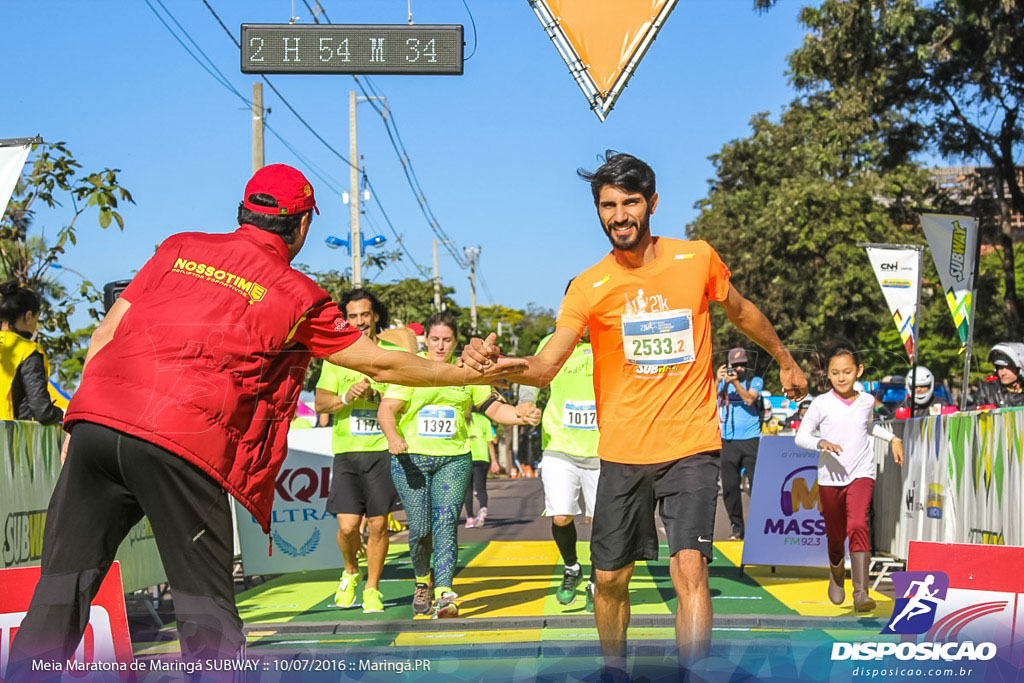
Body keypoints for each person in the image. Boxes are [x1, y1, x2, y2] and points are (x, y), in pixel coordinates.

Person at [7, 164, 523, 675]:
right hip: (183, 440)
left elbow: (104, 336)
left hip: (98, 424)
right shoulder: (296, 292)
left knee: (59, 591)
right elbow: (380, 361)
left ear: (243, 211)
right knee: (206, 618)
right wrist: (460, 372)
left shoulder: (177, 248)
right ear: (301, 226)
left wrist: (77, 421)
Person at [460, 152, 808, 677]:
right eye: (608, 205)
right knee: (610, 579)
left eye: (630, 202)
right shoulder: (588, 286)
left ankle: (693, 673)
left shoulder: (696, 260)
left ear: (652, 204)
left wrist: (785, 359)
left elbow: (740, 311)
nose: (619, 215)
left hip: (691, 442)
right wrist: (505, 367)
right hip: (621, 452)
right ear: (598, 211)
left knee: (689, 567)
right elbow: (546, 365)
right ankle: (615, 670)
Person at [378, 311, 540, 619]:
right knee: (421, 529)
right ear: (425, 338)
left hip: (453, 460)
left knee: (444, 525)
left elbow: (493, 407)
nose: (440, 346)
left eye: (447, 340)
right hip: (410, 460)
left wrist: (520, 414)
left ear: (456, 341)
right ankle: (422, 580)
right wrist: (393, 436)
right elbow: (387, 409)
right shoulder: (411, 369)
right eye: (435, 339)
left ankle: (444, 594)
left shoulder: (465, 372)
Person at [314, 288, 407, 614]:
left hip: (382, 450)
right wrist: (348, 398)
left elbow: (408, 397)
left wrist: (383, 399)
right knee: (348, 527)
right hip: (347, 452)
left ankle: (372, 588)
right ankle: (351, 571)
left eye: (364, 315)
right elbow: (321, 403)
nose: (359, 322)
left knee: (379, 525)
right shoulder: (337, 356)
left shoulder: (392, 353)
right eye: (352, 316)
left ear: (376, 316)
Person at [794, 342, 904, 612]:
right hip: (830, 478)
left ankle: (861, 592)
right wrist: (822, 444)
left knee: (857, 524)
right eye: (835, 373)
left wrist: (892, 438)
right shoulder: (821, 404)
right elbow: (801, 437)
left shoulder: (867, 400)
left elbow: (867, 428)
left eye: (847, 371)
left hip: (861, 473)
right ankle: (835, 571)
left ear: (859, 371)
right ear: (827, 375)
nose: (841, 377)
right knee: (834, 535)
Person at [518, 331, 601, 610]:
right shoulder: (551, 341)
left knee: (600, 521)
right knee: (561, 515)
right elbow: (531, 374)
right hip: (559, 443)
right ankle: (571, 567)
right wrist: (526, 402)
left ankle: (596, 578)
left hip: (603, 447)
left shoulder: (612, 337)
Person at [716, 347, 763, 540]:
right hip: (728, 440)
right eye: (735, 366)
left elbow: (750, 399)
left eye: (743, 365)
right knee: (730, 487)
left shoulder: (755, 381)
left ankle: (761, 524)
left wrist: (736, 382)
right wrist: (718, 379)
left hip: (750, 440)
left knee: (757, 485)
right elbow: (706, 399)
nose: (739, 369)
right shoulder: (722, 385)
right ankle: (737, 526)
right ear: (727, 366)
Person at [0, 280, 63, 424]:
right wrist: (61, 414)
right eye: (36, 318)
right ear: (28, 316)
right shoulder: (27, 351)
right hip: (8, 440)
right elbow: (42, 412)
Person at [463, 407, 499, 528]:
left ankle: (470, 519)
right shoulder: (484, 420)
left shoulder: (461, 419)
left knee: (467, 489)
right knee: (481, 487)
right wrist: (494, 461)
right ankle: (483, 509)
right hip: (482, 458)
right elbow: (491, 442)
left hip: (465, 456)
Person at [975, 343, 1024, 408]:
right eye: (1000, 368)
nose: (1003, 373)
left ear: (1020, 369)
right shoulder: (987, 390)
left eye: (1008, 368)